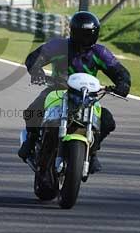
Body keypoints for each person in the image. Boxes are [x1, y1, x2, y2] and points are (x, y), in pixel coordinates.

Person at [18, 11, 130, 174]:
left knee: (107, 121)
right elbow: (33, 58)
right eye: (81, 34)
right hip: (57, 90)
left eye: (88, 34)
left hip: (87, 96)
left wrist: (123, 84)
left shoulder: (100, 52)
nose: (85, 38)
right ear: (73, 32)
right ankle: (31, 140)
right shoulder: (58, 46)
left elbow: (120, 71)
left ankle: (92, 152)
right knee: (32, 111)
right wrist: (37, 72)